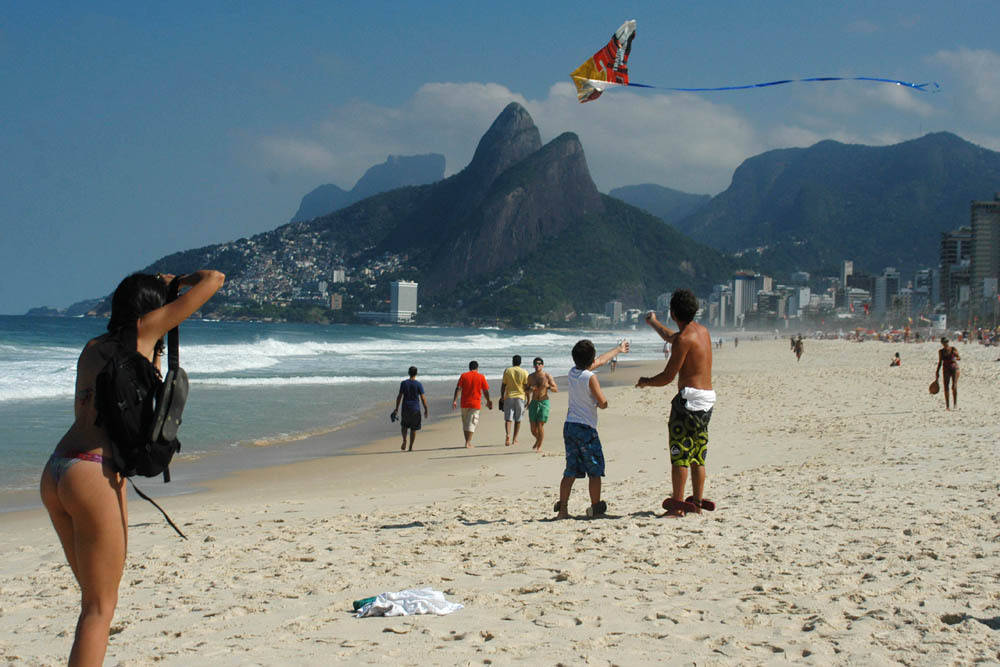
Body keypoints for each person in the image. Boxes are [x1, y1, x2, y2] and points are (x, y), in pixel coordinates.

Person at [39, 270, 224, 666]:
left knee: (92, 602)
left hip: (58, 468)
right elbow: (214, 280)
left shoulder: (93, 346)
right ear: (150, 310)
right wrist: (180, 281)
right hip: (93, 472)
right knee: (99, 610)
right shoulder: (142, 332)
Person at [636, 289, 716, 518]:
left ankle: (678, 505)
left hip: (688, 402)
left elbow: (668, 377)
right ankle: (697, 502)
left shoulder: (683, 339)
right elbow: (673, 337)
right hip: (707, 400)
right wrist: (654, 323)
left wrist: (646, 382)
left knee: (680, 453)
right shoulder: (702, 332)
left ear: (673, 312)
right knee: (698, 454)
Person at [554, 339, 629, 519]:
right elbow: (602, 402)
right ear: (591, 359)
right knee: (594, 470)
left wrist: (618, 349)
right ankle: (595, 508)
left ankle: (563, 510)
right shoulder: (590, 377)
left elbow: (601, 360)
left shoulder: (573, 372)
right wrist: (603, 403)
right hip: (586, 428)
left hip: (570, 426)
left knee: (570, 469)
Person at [452, 361, 492, 448]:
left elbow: (458, 388)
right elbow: (485, 391)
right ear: (477, 368)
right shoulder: (481, 377)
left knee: (466, 424)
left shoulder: (464, 376)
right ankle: (468, 442)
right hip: (475, 403)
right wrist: (488, 401)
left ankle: (467, 442)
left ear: (469, 367)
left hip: (464, 403)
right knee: (472, 423)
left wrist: (455, 400)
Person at [526, 357, 558, 452]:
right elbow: (526, 390)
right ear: (533, 365)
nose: (537, 365)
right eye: (536, 363)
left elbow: (555, 389)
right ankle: (538, 439)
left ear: (542, 365)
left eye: (539, 364)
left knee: (540, 424)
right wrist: (530, 391)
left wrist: (548, 387)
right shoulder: (530, 377)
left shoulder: (547, 376)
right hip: (534, 402)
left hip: (544, 402)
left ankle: (539, 446)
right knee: (533, 428)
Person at [393, 366, 428, 451]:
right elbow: (423, 398)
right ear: (416, 373)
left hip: (406, 408)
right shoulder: (418, 384)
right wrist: (426, 409)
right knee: (414, 428)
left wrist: (396, 408)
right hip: (415, 409)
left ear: (409, 373)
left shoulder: (404, 383)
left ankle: (404, 440)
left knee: (404, 426)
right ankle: (411, 446)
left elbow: (399, 396)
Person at [500, 355, 528, 446]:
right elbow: (526, 386)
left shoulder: (507, 371)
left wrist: (502, 396)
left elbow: (503, 385)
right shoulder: (524, 372)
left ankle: (508, 435)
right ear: (520, 362)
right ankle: (515, 439)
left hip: (509, 397)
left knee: (508, 419)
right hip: (520, 397)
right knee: (518, 419)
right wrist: (528, 398)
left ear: (513, 361)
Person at [935, 337, 960, 410]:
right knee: (946, 387)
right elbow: (940, 362)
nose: (945, 344)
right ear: (942, 343)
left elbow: (959, 357)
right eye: (944, 342)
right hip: (945, 369)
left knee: (954, 386)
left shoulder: (953, 349)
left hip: (954, 368)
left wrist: (956, 357)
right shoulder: (941, 351)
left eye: (946, 342)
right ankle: (947, 406)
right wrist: (937, 372)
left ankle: (955, 404)